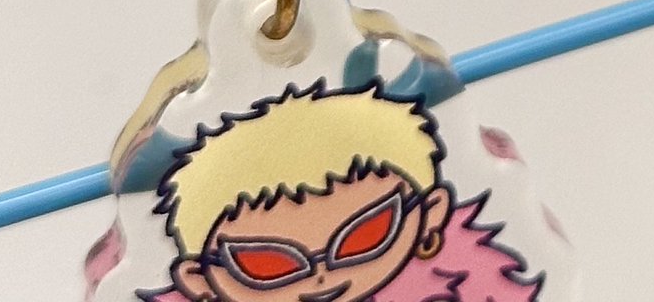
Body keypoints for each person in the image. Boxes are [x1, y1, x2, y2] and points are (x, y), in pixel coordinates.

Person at [146, 84, 541, 302]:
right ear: (198, 280)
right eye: (266, 263)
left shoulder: (469, 289)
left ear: (430, 215)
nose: (322, 277)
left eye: (365, 235)